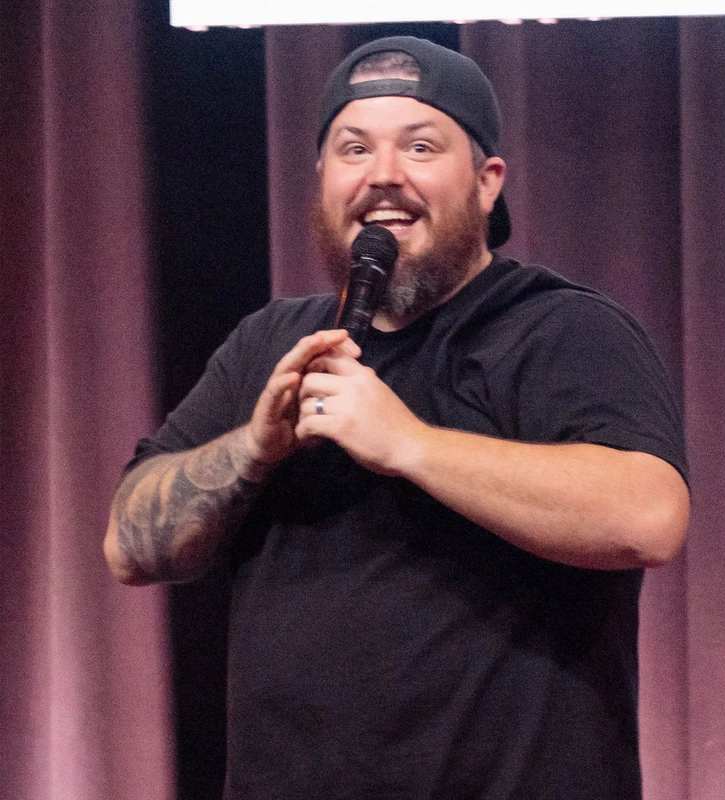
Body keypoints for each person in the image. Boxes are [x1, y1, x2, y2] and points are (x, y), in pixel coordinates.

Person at [104, 36, 690, 800]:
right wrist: (254, 447)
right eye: (354, 149)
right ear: (322, 181)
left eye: (420, 146)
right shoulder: (269, 344)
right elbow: (128, 547)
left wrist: (407, 444)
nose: (383, 175)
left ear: (487, 182)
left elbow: (647, 516)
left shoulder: (559, 330)